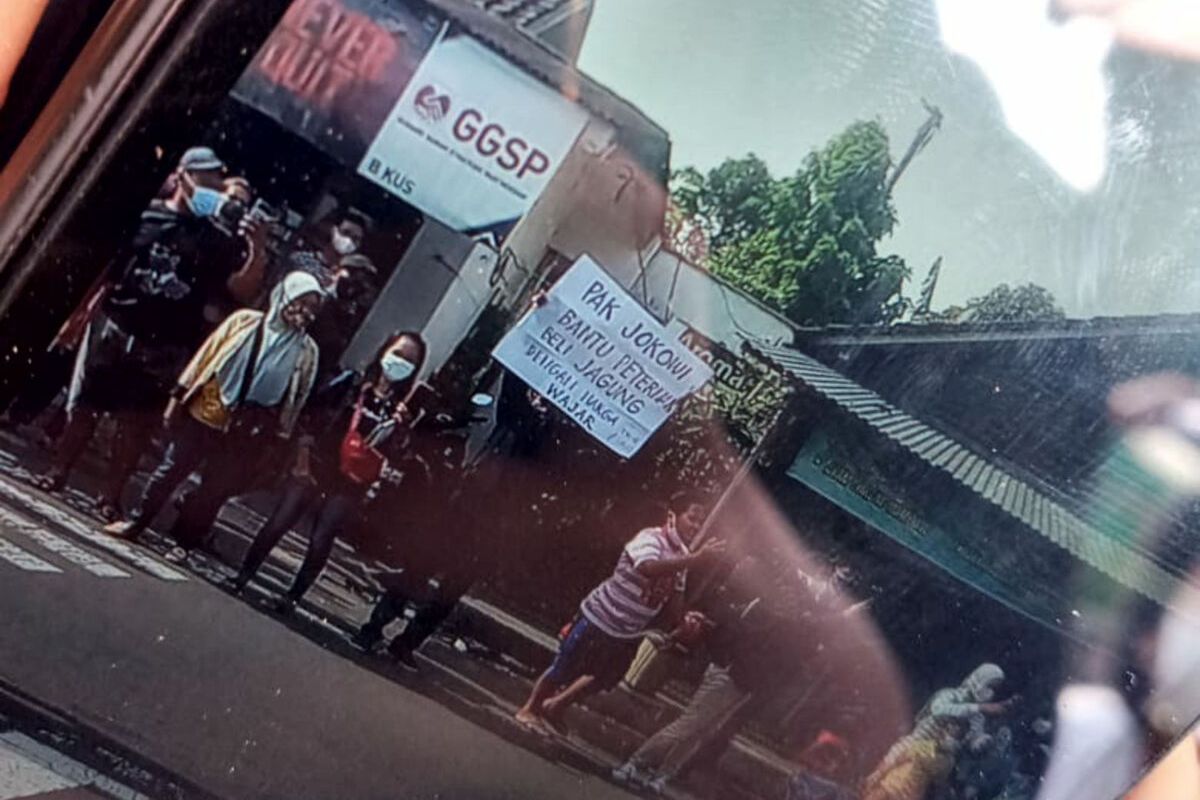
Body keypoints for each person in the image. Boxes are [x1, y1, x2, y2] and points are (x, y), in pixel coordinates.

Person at [31, 147, 269, 521]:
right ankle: (57, 471)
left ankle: (109, 497)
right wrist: (78, 317)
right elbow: (107, 271)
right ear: (183, 176)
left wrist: (258, 248)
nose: (210, 187)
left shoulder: (216, 240)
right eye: (203, 178)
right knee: (86, 407)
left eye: (214, 181)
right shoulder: (145, 216)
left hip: (166, 343)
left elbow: (240, 292)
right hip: (116, 325)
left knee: (135, 425)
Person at [102, 271, 322, 562]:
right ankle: (136, 522)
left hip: (249, 427)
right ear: (285, 296)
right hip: (208, 409)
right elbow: (206, 357)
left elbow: (298, 397)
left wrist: (280, 435)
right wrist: (176, 399)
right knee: (170, 470)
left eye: (312, 307)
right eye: (301, 302)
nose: (305, 312)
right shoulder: (244, 322)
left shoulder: (307, 351)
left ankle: (184, 543)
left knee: (213, 491)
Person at [612, 562, 869, 793]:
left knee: (701, 730)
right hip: (731, 671)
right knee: (690, 725)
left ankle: (660, 775)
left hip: (746, 678)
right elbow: (802, 624)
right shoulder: (787, 604)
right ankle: (636, 764)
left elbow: (806, 631)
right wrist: (839, 617)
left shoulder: (798, 609)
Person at [228, 331, 427, 614]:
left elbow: (397, 455)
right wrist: (303, 456)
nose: (400, 362)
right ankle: (243, 575)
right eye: (397, 353)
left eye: (409, 360)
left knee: (322, 537)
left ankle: (292, 598)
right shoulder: (353, 384)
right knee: (280, 520)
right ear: (384, 351)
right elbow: (312, 412)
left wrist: (400, 427)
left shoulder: (398, 409)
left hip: (351, 481)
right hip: (317, 463)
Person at [513, 494, 726, 734]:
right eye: (692, 518)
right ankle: (529, 708)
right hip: (600, 615)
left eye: (701, 521)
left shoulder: (684, 557)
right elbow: (647, 567)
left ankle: (556, 706)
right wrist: (695, 560)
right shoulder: (651, 538)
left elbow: (675, 601)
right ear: (673, 516)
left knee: (604, 678)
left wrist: (687, 621)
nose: (696, 525)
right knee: (565, 665)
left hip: (628, 630)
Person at [862, 664, 1017, 800]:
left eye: (994, 690)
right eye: (990, 686)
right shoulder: (950, 695)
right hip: (918, 746)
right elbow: (938, 710)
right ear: (980, 680)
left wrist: (982, 741)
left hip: (933, 766)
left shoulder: (977, 718)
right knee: (883, 781)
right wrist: (979, 708)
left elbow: (971, 742)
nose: (990, 692)